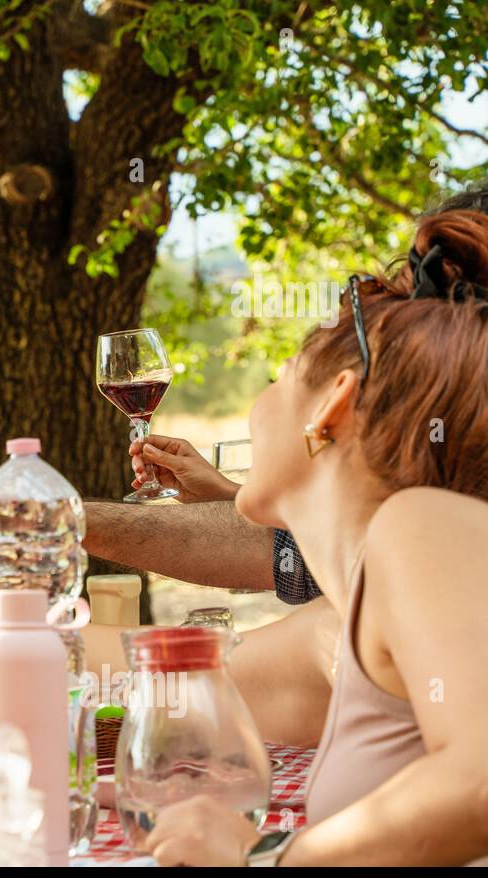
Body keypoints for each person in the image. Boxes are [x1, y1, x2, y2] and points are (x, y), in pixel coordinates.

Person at [0, 209, 488, 866]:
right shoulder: (349, 625)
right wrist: (6, 616)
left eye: (281, 373)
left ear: (332, 405)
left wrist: (271, 856)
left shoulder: (420, 524)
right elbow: (160, 678)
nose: (259, 402)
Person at [79, 182, 488, 605]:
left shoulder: (406, 606)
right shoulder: (403, 572)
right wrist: (236, 496)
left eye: (286, 372)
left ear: (333, 410)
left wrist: (53, 523)